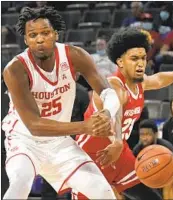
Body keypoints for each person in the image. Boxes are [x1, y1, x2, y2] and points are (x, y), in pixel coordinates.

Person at [2, 6, 121, 200]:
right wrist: (86, 126)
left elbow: (108, 91)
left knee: (104, 193)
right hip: (24, 142)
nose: (39, 39)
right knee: (20, 184)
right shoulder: (15, 69)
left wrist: (107, 113)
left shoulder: (74, 55)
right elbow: (35, 126)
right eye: (33, 35)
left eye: (45, 33)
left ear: (55, 34)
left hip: (60, 144)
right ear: (25, 40)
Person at [74, 27, 173, 200]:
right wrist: (117, 141)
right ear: (120, 62)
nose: (141, 63)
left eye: (143, 58)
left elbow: (159, 79)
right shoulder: (113, 84)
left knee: (150, 197)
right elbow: (116, 110)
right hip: (91, 157)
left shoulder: (140, 83)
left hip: (119, 153)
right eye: (134, 58)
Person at [133, 119, 173, 200]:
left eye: (148, 134)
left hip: (167, 176)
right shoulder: (137, 150)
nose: (144, 138)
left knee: (170, 182)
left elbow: (172, 168)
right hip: (146, 179)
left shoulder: (166, 147)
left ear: (156, 134)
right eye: (142, 134)